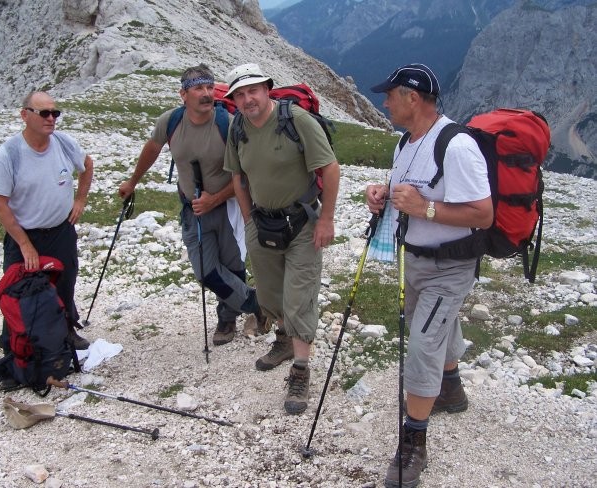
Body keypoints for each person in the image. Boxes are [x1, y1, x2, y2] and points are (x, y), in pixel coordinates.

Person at [365, 63, 493, 487]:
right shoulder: (406, 143)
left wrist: (425, 209)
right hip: (414, 258)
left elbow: (483, 214)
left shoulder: (456, 146)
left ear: (412, 98)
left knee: (421, 343)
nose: (384, 102)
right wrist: (384, 195)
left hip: (451, 266)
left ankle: (413, 444)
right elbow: (408, 191)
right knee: (439, 326)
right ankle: (451, 388)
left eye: (390, 95)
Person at [118, 64, 267, 346]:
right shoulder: (171, 121)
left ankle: (227, 318)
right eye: (199, 88)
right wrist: (132, 181)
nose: (206, 93)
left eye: (210, 87)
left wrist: (216, 198)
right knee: (206, 270)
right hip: (193, 209)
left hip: (228, 206)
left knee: (233, 265)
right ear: (183, 94)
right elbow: (152, 148)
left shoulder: (228, 124)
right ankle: (256, 303)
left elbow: (244, 172)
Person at [223, 63, 340, 415]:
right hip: (263, 223)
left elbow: (330, 168)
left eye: (252, 91)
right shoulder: (238, 128)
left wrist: (328, 220)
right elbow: (237, 177)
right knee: (272, 295)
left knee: (299, 296)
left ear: (267, 89)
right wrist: (248, 221)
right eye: (239, 95)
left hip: (303, 222)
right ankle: (284, 341)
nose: (247, 99)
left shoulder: (297, 120)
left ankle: (301, 371)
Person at [0, 91, 93, 353]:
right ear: (25, 115)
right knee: (19, 287)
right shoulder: (9, 154)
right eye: (44, 113)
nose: (51, 118)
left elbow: (87, 165)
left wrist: (79, 200)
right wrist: (24, 244)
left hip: (60, 230)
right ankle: (17, 343)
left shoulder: (63, 142)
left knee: (65, 282)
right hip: (25, 234)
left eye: (54, 113)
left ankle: (67, 330)